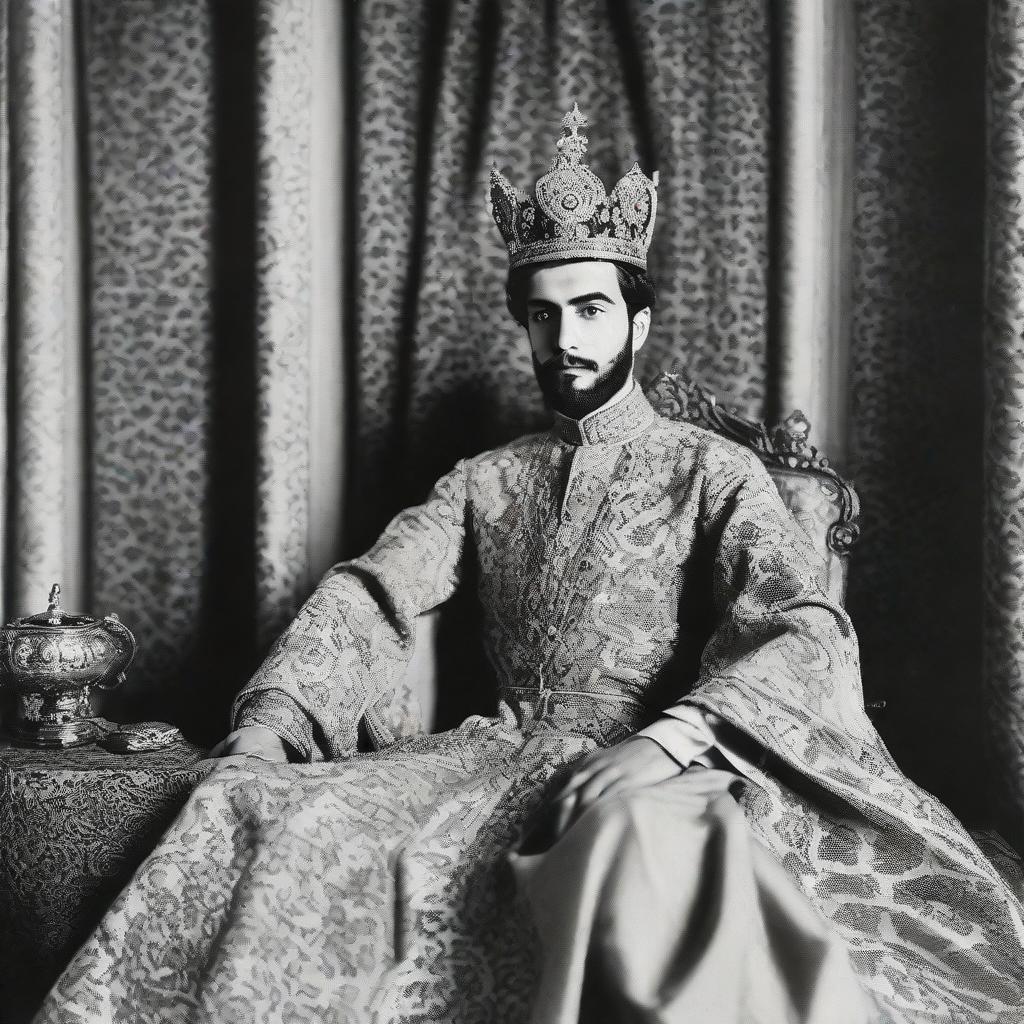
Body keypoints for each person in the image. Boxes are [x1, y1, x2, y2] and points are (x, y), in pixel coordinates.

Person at [35, 107, 1024, 1024]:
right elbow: (373, 590)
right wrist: (272, 723)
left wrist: (673, 740)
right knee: (265, 809)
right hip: (486, 754)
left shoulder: (711, 471)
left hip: (650, 764)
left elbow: (800, 626)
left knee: (635, 862)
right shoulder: (488, 479)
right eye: (544, 316)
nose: (567, 338)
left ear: (637, 320)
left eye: (590, 310)